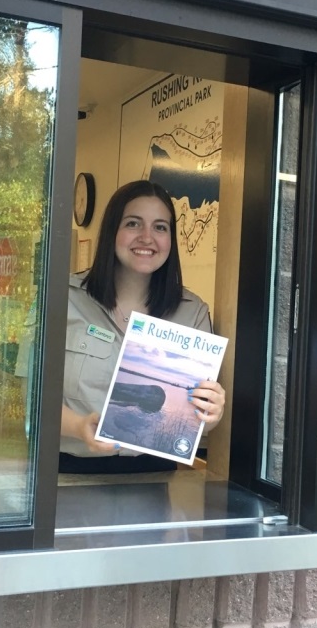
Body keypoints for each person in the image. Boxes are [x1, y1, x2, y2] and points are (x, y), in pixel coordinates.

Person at [60, 180, 225, 473]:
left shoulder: (193, 313)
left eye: (160, 227)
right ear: (112, 231)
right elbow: (27, 401)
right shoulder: (63, 299)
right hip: (69, 474)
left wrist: (211, 412)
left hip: (155, 479)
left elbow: (200, 421)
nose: (147, 238)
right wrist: (79, 426)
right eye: (134, 224)